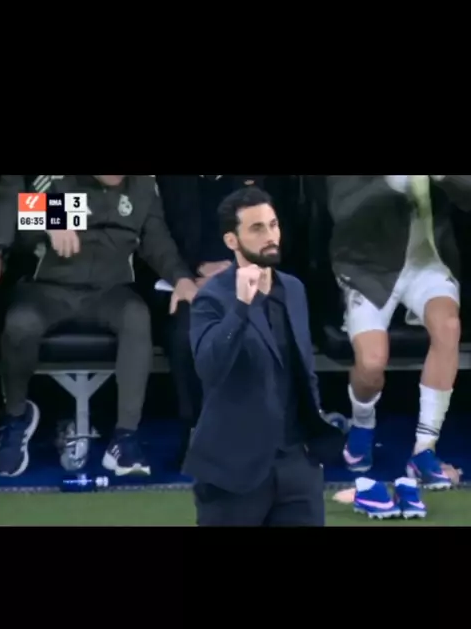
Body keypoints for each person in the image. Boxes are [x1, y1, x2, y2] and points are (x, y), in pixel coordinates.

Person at [0, 175, 197, 478]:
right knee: (20, 324)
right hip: (49, 290)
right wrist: (52, 220)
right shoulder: (62, 181)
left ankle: (125, 437)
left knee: (136, 316)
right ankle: (16, 416)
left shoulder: (142, 186)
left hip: (109, 291)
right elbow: (19, 219)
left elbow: (156, 240)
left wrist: (180, 277)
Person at [183, 186, 344, 527]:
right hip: (235, 470)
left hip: (297, 464)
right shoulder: (212, 298)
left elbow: (304, 370)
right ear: (231, 240)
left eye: (273, 225)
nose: (270, 236)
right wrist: (241, 307)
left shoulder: (294, 289)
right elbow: (209, 368)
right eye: (257, 228)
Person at [326, 174, 471, 516]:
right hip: (366, 267)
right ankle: (362, 424)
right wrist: (392, 184)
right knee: (372, 364)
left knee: (448, 327)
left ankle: (424, 450)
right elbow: (343, 207)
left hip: (429, 264)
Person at [158, 175, 265, 459]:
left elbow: (278, 232)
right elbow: (155, 239)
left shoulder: (134, 187)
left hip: (241, 279)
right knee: (185, 330)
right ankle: (196, 428)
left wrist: (235, 269)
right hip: (59, 291)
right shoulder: (65, 186)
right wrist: (185, 275)